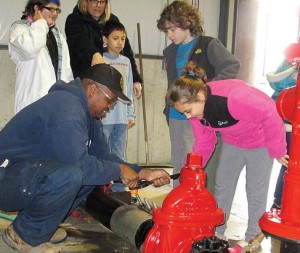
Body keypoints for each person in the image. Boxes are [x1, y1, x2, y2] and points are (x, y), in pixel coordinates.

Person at [0, 63, 170, 253]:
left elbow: (103, 157)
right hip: (5, 177)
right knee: (72, 174)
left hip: (23, 175)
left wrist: (142, 172)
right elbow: (79, 164)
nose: (110, 107)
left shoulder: (88, 115)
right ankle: (24, 234)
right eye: (110, 100)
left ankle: (40, 227)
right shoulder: (66, 108)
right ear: (92, 89)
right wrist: (119, 170)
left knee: (91, 176)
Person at [167, 62, 288, 242]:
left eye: (187, 111)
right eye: (184, 113)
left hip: (260, 143)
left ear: (200, 96)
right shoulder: (196, 113)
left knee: (255, 189)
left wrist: (277, 149)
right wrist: (192, 167)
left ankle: (252, 238)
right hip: (234, 141)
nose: (188, 116)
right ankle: (217, 231)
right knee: (223, 184)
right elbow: (205, 141)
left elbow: (270, 113)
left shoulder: (234, 98)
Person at [157, 0, 240, 190]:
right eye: (166, 31)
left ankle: (200, 203)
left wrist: (207, 91)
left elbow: (232, 66)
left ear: (186, 23)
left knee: (199, 163)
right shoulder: (170, 51)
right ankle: (180, 202)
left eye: (172, 29)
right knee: (179, 163)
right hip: (176, 114)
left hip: (199, 114)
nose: (169, 35)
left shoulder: (208, 44)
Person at [65, 0, 142, 99]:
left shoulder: (113, 20)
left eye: (102, 1)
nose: (98, 5)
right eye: (94, 1)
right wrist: (95, 54)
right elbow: (81, 41)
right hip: (83, 83)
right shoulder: (74, 20)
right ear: (85, 2)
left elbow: (126, 50)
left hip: (107, 84)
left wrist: (135, 79)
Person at [8, 0, 73, 113]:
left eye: (57, 9)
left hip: (56, 103)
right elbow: (30, 49)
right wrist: (40, 24)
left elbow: (67, 72)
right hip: (31, 103)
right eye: (51, 9)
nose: (55, 13)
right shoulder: (20, 29)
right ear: (36, 9)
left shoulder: (58, 35)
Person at [101, 20, 135, 192]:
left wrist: (130, 114)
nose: (120, 42)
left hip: (121, 119)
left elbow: (128, 89)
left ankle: (119, 189)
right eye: (115, 38)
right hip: (105, 118)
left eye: (123, 38)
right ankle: (103, 186)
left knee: (120, 154)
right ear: (105, 39)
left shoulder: (126, 61)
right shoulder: (100, 59)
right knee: (104, 154)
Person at [266, 44, 298, 210]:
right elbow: (274, 80)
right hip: (286, 121)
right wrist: (292, 69)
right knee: (290, 164)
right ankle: (279, 203)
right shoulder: (290, 59)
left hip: (292, 122)